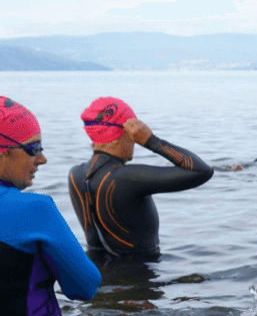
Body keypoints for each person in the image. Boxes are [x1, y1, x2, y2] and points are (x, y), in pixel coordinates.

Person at [0, 98, 101, 316]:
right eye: (34, 148)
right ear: (4, 151)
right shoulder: (35, 210)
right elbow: (84, 287)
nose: (42, 159)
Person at [68, 97, 214, 256]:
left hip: (97, 275)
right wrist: (151, 141)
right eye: (134, 133)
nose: (134, 141)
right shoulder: (125, 178)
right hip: (139, 276)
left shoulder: (75, 174)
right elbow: (202, 171)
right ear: (123, 131)